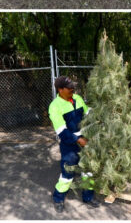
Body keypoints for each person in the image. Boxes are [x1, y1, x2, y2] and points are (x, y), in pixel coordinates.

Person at [49, 76, 98, 212]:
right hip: (69, 144)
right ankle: (58, 198)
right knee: (68, 174)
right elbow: (62, 131)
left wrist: (99, 112)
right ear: (60, 89)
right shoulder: (55, 106)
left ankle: (88, 197)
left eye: (73, 86)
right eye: (69, 87)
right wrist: (79, 140)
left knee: (88, 171)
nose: (72, 89)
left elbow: (87, 113)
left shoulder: (77, 99)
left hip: (84, 138)